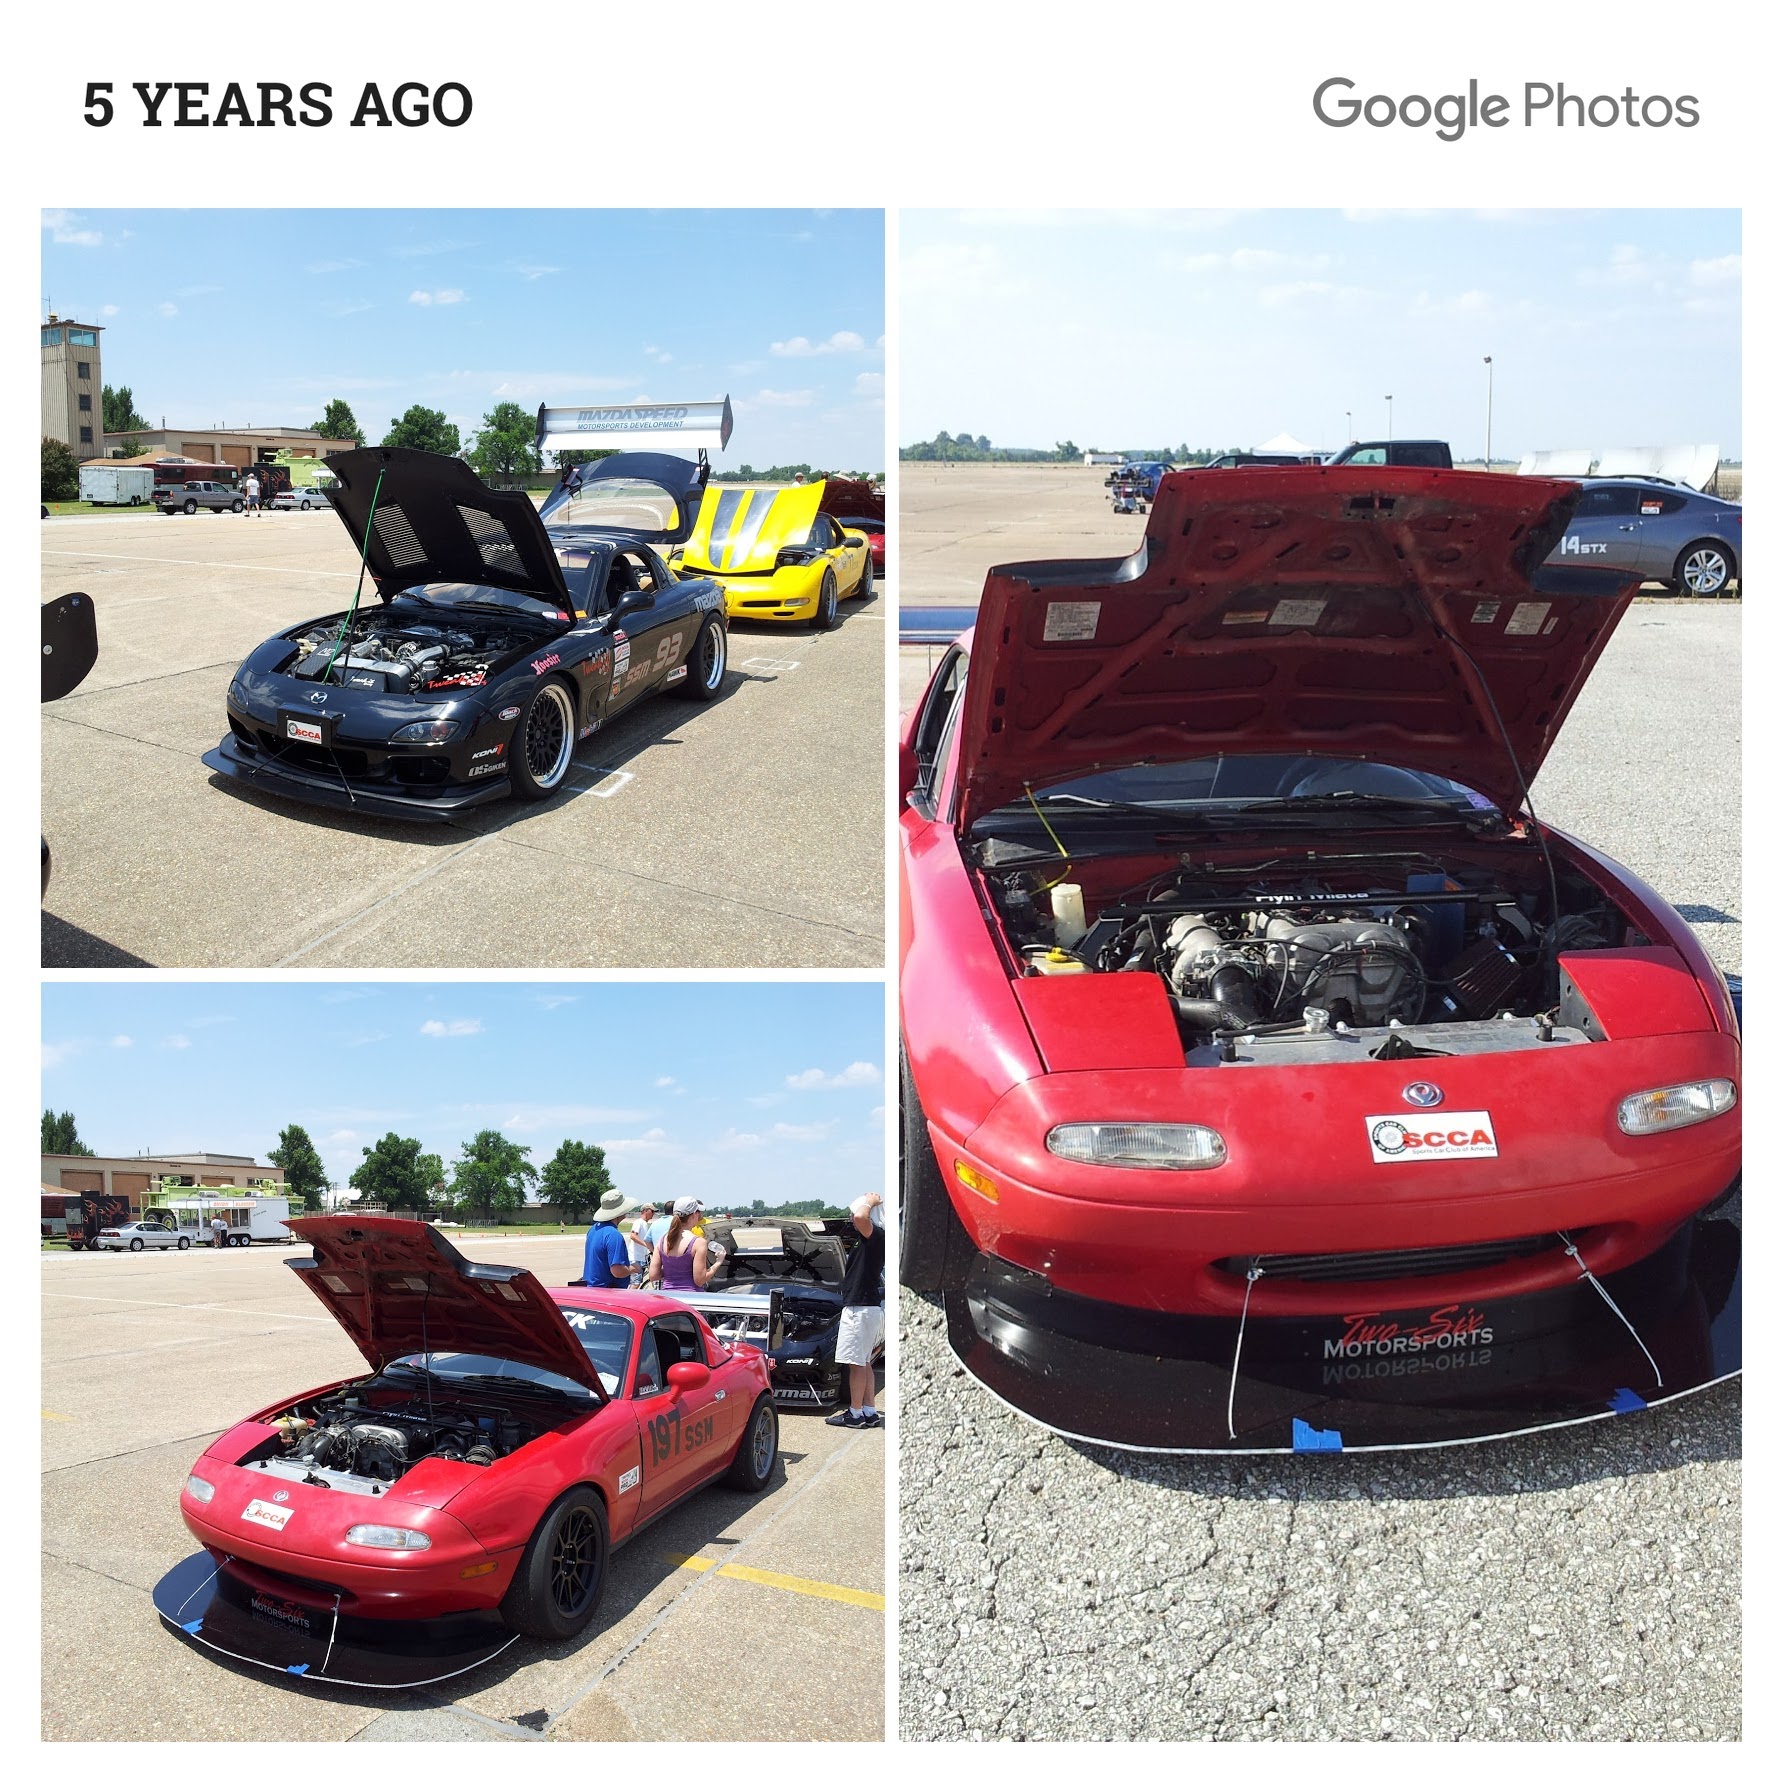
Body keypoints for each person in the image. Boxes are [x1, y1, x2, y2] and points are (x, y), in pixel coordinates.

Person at [827, 1192, 884, 1429]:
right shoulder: (871, 1238)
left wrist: (870, 1201)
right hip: (867, 1308)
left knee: (856, 1364)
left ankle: (855, 1413)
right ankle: (869, 1411)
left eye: (853, 1212)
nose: (852, 1217)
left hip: (860, 1309)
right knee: (864, 1361)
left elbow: (861, 1217)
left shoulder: (876, 1235)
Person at [645, 1197, 724, 1291]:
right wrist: (718, 1262)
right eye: (698, 1212)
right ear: (693, 1215)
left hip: (669, 1296)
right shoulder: (698, 1242)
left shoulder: (662, 1240)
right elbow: (700, 1280)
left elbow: (653, 1276)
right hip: (690, 1296)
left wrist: (673, 1271)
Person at [580, 1189, 639, 1289]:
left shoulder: (593, 1230)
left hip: (591, 1289)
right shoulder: (614, 1235)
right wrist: (633, 1268)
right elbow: (617, 1271)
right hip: (607, 1292)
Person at [625, 1203, 659, 1287]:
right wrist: (646, 1245)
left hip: (641, 1257)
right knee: (635, 1283)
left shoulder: (645, 1224)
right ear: (645, 1211)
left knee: (637, 1282)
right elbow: (633, 1236)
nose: (653, 1214)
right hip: (635, 1257)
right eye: (652, 1211)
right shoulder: (639, 1222)